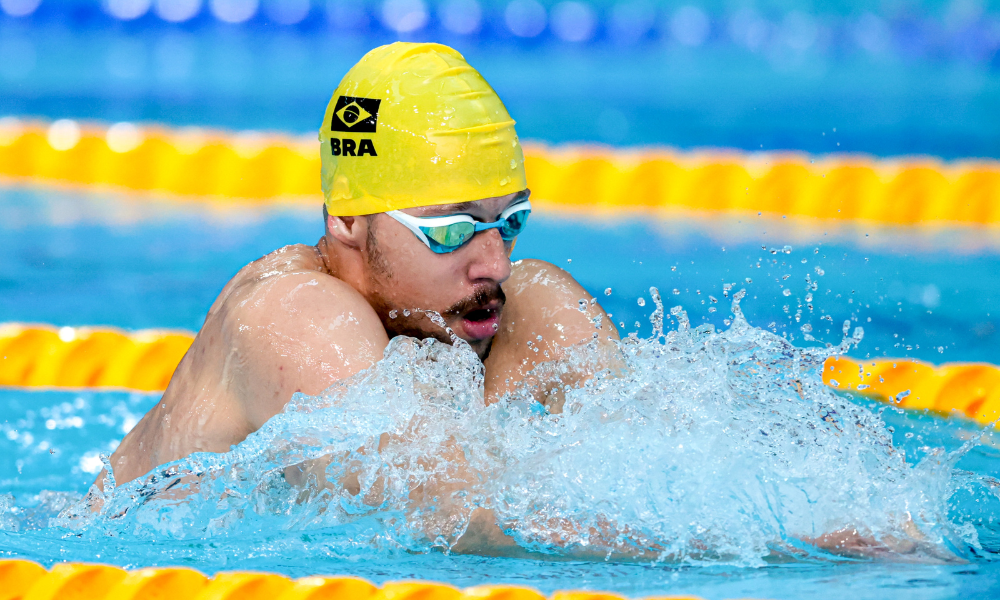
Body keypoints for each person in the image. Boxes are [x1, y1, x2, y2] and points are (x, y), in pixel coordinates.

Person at [105, 42, 618, 493]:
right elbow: (455, 515)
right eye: (452, 231)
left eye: (509, 222)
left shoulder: (529, 307)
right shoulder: (294, 314)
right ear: (348, 220)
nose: (497, 265)